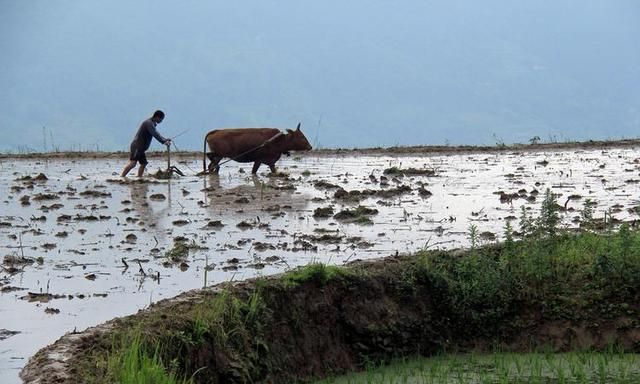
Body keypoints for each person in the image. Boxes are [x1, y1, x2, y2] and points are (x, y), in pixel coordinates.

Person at [121, 110, 172, 177]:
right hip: (137, 147)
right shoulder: (149, 123)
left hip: (141, 149)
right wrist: (164, 141)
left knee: (143, 164)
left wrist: (165, 139)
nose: (161, 121)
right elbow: (155, 134)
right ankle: (122, 177)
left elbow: (157, 133)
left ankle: (139, 177)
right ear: (157, 117)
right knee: (133, 163)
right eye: (161, 119)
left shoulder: (152, 124)